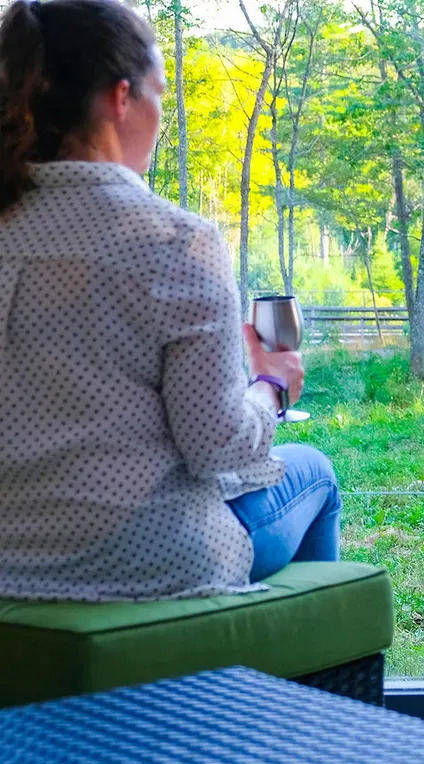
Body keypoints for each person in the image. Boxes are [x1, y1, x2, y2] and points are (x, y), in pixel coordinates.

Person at [0, 0, 340, 601]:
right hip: (146, 562)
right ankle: (283, 690)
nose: (161, 114)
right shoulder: (174, 242)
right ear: (120, 99)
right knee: (312, 471)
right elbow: (215, 446)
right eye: (159, 93)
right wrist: (273, 387)